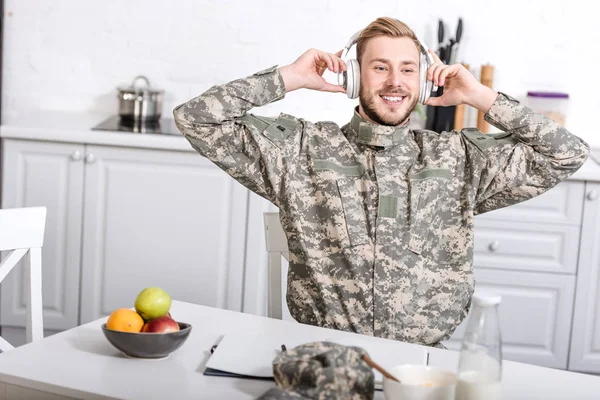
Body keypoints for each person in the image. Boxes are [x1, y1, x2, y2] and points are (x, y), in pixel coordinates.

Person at [173, 17, 589, 347]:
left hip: (424, 367)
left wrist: (479, 96)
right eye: (380, 68)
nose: (395, 81)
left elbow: (567, 152)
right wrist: (290, 77)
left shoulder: (458, 158)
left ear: (425, 80)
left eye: (407, 69)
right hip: (324, 356)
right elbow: (196, 118)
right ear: (355, 77)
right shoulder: (301, 150)